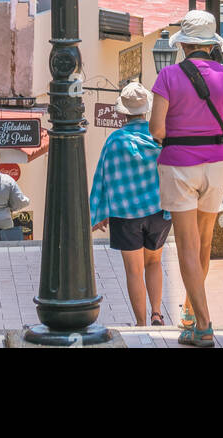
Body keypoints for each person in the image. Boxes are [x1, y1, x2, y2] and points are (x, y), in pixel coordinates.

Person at [149, 10, 223, 349]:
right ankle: (190, 312)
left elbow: (157, 129)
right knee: (204, 243)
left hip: (179, 165)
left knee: (186, 246)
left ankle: (203, 325)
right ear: (210, 44)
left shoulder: (168, 77)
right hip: (217, 165)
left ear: (185, 44)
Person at [89, 80, 171, 326]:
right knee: (154, 262)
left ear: (122, 112)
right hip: (158, 210)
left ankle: (141, 323)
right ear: (146, 109)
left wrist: (99, 213)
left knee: (134, 270)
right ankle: (156, 313)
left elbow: (103, 177)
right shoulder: (158, 136)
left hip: (125, 215)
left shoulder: (114, 141)